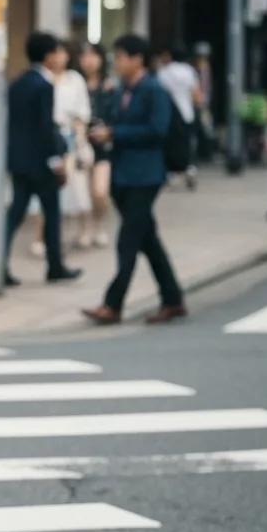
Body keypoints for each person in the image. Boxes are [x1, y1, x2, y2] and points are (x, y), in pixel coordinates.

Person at [83, 34, 186, 325]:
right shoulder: (121, 90)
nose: (117, 63)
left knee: (128, 240)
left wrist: (115, 134)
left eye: (121, 57)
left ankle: (112, 304)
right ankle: (173, 298)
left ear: (137, 59)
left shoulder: (154, 90)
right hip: (123, 174)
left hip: (146, 174)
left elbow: (157, 129)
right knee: (147, 239)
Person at [4, 31, 82, 287]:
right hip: (41, 163)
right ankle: (55, 266)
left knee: (15, 214)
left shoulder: (16, 84)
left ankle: (0, 263)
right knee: (51, 214)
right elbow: (45, 127)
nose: (61, 57)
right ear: (49, 55)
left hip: (19, 162)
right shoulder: (44, 86)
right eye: (58, 52)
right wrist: (56, 161)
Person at [50, 42, 92, 248]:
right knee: (52, 191)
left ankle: (85, 229)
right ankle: (50, 237)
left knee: (77, 187)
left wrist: (80, 140)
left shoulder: (75, 80)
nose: (57, 58)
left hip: (70, 138)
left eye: (61, 53)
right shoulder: (44, 79)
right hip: (50, 138)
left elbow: (82, 114)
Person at [77, 41, 115, 248]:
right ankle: (85, 229)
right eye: (84, 56)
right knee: (82, 192)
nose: (89, 61)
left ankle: (99, 225)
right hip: (80, 144)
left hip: (102, 146)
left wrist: (108, 132)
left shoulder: (109, 85)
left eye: (93, 56)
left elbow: (115, 114)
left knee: (99, 191)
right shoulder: (74, 83)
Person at [156, 45, 202, 190]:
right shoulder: (189, 71)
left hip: (169, 114)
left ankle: (173, 173)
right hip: (187, 112)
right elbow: (195, 93)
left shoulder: (164, 72)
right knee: (187, 143)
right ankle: (189, 168)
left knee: (171, 145)